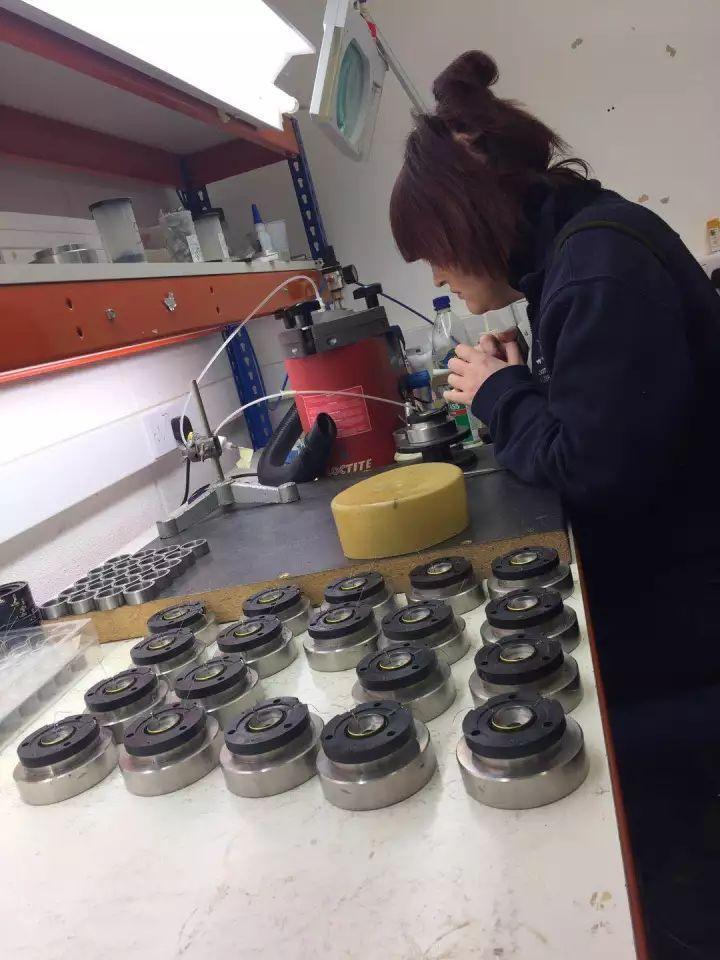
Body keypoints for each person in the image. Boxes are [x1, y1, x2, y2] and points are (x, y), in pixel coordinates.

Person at [390, 50, 720, 960]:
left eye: (437, 255)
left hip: (690, 626)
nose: (443, 280)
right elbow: (614, 419)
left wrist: (500, 395)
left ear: (472, 215)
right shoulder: (582, 251)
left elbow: (593, 468)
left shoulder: (598, 268)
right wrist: (527, 380)